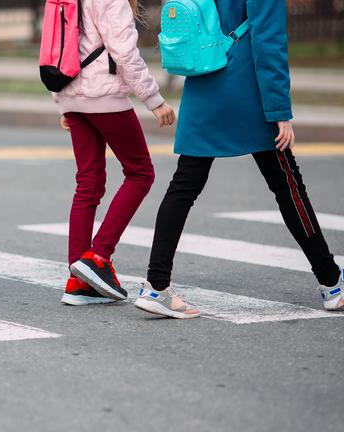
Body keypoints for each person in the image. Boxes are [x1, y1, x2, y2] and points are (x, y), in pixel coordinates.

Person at [135, 0, 344, 319]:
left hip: (204, 77)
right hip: (247, 86)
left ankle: (156, 285)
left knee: (185, 184)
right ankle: (332, 284)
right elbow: (268, 39)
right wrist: (279, 111)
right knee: (288, 185)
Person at [55, 0, 176, 306]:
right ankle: (98, 256)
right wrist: (154, 100)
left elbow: (55, 47)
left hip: (72, 92)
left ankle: (78, 280)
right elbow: (124, 53)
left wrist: (62, 98)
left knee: (88, 182)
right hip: (105, 96)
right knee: (141, 173)